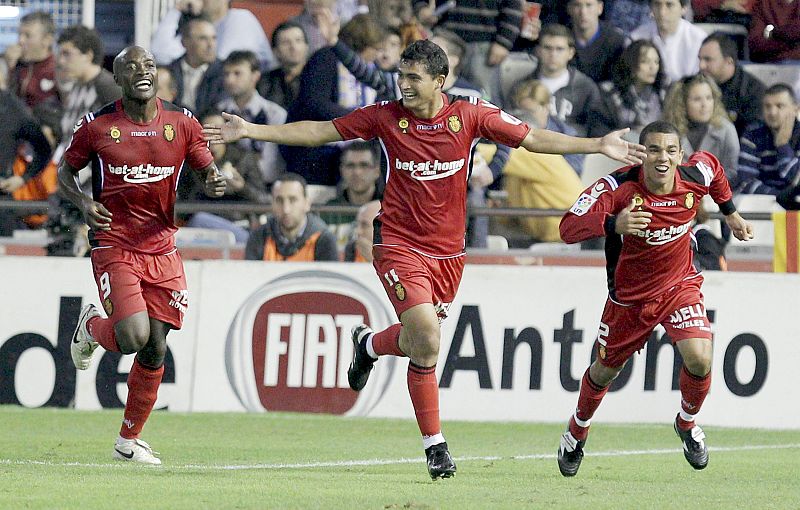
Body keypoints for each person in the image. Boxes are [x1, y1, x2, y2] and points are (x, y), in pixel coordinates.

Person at [205, 39, 646, 479]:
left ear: (440, 80)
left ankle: (370, 344)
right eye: (401, 75)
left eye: (414, 77)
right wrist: (251, 130)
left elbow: (533, 138)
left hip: (449, 253)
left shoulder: (471, 115)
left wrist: (596, 144)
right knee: (428, 338)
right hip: (397, 243)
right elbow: (321, 130)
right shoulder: (385, 116)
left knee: (420, 340)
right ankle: (435, 446)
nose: (404, 85)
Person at [58, 46, 225, 465]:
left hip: (162, 247)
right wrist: (82, 202)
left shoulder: (182, 123)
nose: (141, 71)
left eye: (148, 65)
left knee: (155, 349)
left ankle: (128, 443)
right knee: (132, 336)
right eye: (131, 67)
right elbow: (64, 172)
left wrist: (215, 181)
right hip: (114, 243)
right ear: (118, 78)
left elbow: (206, 170)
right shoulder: (97, 127)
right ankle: (93, 327)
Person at [556, 120, 753, 477]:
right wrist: (612, 224)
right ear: (641, 153)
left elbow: (716, 170)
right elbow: (567, 227)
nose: (663, 157)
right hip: (629, 300)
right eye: (654, 149)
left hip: (679, 286)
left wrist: (731, 213)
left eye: (670, 150)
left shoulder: (696, 174)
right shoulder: (616, 188)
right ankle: (577, 430)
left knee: (700, 357)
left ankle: (687, 423)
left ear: (680, 155)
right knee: (604, 372)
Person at [217, 50, 287, 184]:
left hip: (264, 189)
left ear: (255, 76)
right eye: (226, 74)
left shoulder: (275, 114)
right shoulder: (217, 112)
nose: (230, 80)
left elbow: (270, 167)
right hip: (223, 188)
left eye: (237, 73)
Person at [150, 0, 274, 68]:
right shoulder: (197, 26)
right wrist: (177, 10)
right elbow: (161, 55)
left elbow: (220, 62)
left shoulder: (240, 18)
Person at [244, 173, 338, 261]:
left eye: (293, 200)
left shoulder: (324, 239)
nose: (286, 209)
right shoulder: (258, 237)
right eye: (279, 200)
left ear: (307, 203)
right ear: (272, 204)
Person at [663, 73, 740, 182]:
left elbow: (732, 173)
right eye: (697, 99)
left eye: (709, 98)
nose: (705, 105)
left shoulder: (726, 130)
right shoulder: (667, 133)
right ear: (682, 104)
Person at [736, 84, 800, 209]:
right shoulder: (752, 134)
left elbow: (797, 180)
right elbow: (746, 181)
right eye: (767, 106)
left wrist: (783, 146)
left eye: (779, 106)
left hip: (796, 201)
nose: (772, 112)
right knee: (741, 202)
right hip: (765, 201)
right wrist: (779, 197)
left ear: (795, 109)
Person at [698, 33, 765, 137]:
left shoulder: (754, 91)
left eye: (708, 59)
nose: (701, 65)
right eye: (700, 59)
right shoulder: (694, 85)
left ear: (729, 62)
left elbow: (754, 135)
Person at [322, 140, 383, 250]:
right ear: (341, 170)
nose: (357, 172)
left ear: (377, 171)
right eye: (350, 166)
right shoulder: (328, 211)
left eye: (364, 165)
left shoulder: (389, 210)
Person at [599, 40, 668, 135]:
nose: (653, 67)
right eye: (645, 62)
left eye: (656, 62)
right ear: (631, 63)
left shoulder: (663, 93)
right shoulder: (610, 93)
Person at [630, 0, 707, 83]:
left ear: (684, 9)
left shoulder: (699, 40)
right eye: (657, 4)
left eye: (669, 5)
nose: (662, 12)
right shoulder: (636, 37)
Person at [166, 15, 225, 115]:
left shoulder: (224, 71)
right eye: (203, 39)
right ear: (185, 42)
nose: (211, 45)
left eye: (214, 38)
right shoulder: (170, 71)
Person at [4, 11, 60, 109]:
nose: (20, 41)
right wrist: (9, 69)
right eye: (19, 34)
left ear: (47, 40)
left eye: (27, 36)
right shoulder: (16, 66)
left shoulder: (58, 70)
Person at [567, 0, 627, 83]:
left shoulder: (615, 40)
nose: (583, 12)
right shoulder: (561, 39)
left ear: (600, 8)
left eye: (589, 5)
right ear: (569, 9)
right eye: (577, 5)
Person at [257, 21, 309, 110]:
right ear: (275, 51)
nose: (293, 47)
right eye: (286, 42)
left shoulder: (318, 78)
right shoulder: (265, 81)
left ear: (306, 46)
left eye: (298, 41)